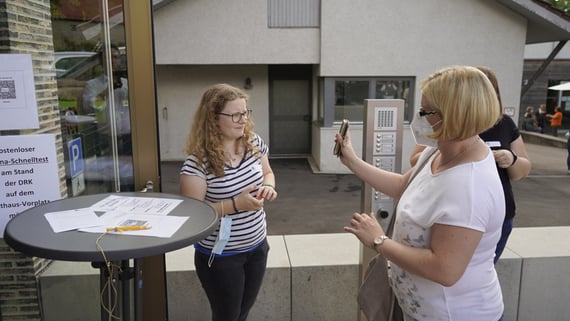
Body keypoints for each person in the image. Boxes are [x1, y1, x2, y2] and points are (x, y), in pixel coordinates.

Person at [338, 66, 505, 321]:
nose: (418, 117)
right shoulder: (440, 150)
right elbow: (405, 185)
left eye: (425, 111)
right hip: (417, 309)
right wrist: (351, 160)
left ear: (453, 116)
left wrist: (379, 241)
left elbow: (445, 270)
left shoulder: (469, 187)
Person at [410, 67, 532, 264]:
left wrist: (511, 159)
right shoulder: (446, 128)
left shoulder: (505, 124)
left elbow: (523, 170)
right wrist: (450, 153)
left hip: (494, 214)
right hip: (447, 209)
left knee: (473, 267)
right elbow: (416, 160)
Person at [179, 83, 277, 321]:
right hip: (221, 258)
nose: (242, 120)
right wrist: (235, 204)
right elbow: (194, 214)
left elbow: (268, 173)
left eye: (245, 113)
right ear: (213, 119)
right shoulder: (197, 164)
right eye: (235, 114)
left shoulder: (253, 142)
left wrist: (269, 187)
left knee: (242, 313)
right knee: (227, 317)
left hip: (257, 247)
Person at [83, 44, 131, 155]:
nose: (112, 61)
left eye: (116, 57)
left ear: (119, 60)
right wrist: (109, 89)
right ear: (100, 61)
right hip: (106, 138)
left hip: (129, 138)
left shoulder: (127, 83)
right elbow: (90, 108)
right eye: (108, 57)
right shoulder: (92, 85)